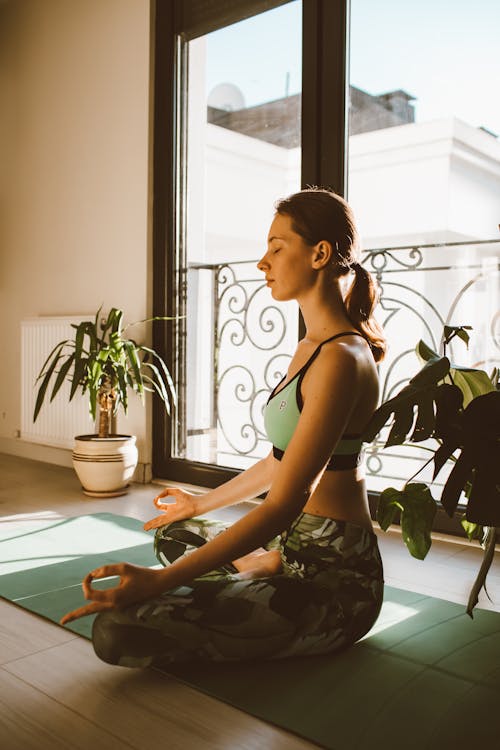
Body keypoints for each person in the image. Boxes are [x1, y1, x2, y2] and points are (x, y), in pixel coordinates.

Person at [61, 188, 386, 667]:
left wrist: (158, 582)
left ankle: (272, 579)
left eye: (277, 247)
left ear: (319, 254)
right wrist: (199, 502)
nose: (263, 262)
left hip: (333, 583)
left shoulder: (341, 358)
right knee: (177, 530)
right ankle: (266, 568)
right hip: (291, 547)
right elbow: (280, 462)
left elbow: (282, 505)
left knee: (115, 632)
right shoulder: (311, 347)